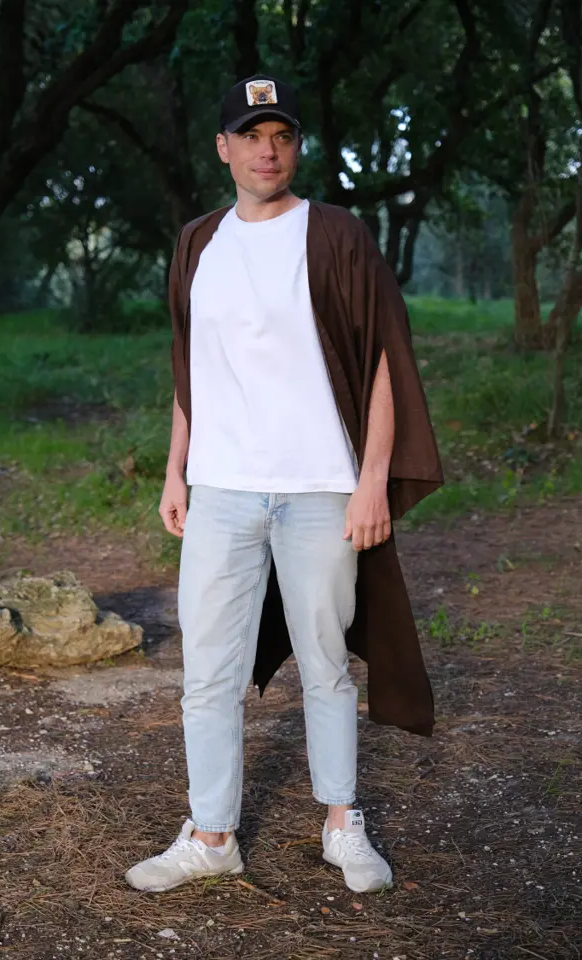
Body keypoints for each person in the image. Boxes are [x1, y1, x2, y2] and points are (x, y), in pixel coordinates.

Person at [125, 74, 442, 895]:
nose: (267, 151)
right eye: (251, 135)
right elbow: (191, 369)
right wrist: (176, 469)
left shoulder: (337, 235)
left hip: (320, 489)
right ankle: (211, 835)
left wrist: (372, 480)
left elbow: (383, 362)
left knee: (326, 663)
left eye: (282, 136)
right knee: (207, 673)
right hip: (221, 489)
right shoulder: (198, 243)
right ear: (224, 147)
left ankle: (341, 824)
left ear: (295, 146)